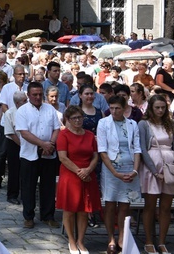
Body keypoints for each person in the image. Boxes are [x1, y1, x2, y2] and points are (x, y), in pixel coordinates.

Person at [138, 95, 174, 254]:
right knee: (150, 206)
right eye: (157, 107)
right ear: (151, 108)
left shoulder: (172, 125)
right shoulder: (144, 124)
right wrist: (154, 171)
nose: (160, 110)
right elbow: (143, 149)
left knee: (166, 207)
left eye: (163, 107)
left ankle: (162, 242)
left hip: (170, 168)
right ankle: (149, 241)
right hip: (152, 167)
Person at [97, 95, 142, 254]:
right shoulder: (103, 123)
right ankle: (111, 238)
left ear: (124, 108)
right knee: (110, 204)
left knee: (125, 205)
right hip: (111, 170)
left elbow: (137, 148)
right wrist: (115, 173)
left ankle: (123, 237)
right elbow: (102, 150)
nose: (114, 111)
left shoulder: (132, 124)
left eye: (118, 108)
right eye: (112, 108)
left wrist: (135, 171)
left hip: (129, 168)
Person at [15, 82, 61, 229]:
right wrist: (42, 144)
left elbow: (56, 128)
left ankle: (48, 215)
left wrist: (51, 144)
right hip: (29, 154)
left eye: (40, 94)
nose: (38, 97)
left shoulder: (50, 109)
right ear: (28, 95)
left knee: (48, 185)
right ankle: (28, 216)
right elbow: (24, 132)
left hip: (49, 153)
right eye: (34, 94)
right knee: (28, 186)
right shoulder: (22, 111)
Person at [56, 106, 101, 254]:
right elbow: (63, 157)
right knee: (69, 210)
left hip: (88, 174)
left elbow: (95, 155)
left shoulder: (89, 135)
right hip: (70, 175)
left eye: (80, 117)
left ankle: (81, 241)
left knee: (84, 210)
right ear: (68, 120)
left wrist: (88, 170)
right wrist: (79, 171)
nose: (77, 120)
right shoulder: (64, 135)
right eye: (74, 118)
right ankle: (71, 240)